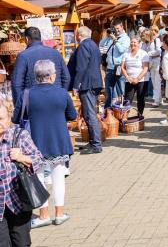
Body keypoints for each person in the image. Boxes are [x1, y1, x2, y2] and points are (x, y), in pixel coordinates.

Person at [12, 60, 76, 228]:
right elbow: (73, 115)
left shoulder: (26, 94)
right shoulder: (62, 93)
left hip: (35, 142)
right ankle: (59, 214)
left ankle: (43, 215)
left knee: (38, 177)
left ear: (36, 76)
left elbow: (16, 119)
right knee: (58, 176)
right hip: (59, 140)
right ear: (52, 75)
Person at [0, 99, 43, 247]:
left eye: (1, 118)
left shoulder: (19, 136)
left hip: (19, 202)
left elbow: (38, 159)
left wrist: (22, 158)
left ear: (9, 116)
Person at [67, 26, 103, 154]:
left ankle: (96, 144)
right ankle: (94, 141)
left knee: (89, 114)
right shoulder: (93, 44)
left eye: (77, 34)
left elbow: (81, 67)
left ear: (79, 35)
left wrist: (76, 85)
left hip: (87, 84)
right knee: (90, 113)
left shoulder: (83, 46)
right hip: (94, 82)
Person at [11, 26, 70, 103]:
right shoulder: (56, 53)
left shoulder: (23, 56)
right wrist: (62, 94)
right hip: (57, 99)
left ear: (27, 39)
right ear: (40, 38)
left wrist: (19, 106)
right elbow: (66, 77)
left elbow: (16, 84)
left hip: (34, 101)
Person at [103, 19, 130, 108]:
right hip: (110, 68)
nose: (117, 30)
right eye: (115, 29)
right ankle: (108, 111)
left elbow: (122, 50)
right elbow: (102, 45)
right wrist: (107, 36)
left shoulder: (126, 38)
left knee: (121, 91)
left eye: (118, 28)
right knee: (109, 90)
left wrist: (115, 40)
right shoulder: (112, 37)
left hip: (119, 67)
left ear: (122, 27)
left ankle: (122, 110)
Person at [121, 37, 150, 117]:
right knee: (127, 100)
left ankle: (140, 115)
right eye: (131, 42)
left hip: (141, 80)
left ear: (138, 44)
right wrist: (127, 77)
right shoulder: (126, 53)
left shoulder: (143, 53)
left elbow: (145, 68)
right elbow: (122, 67)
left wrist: (138, 78)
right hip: (129, 80)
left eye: (135, 42)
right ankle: (125, 117)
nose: (132, 44)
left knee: (140, 99)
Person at [141, 28, 162, 107]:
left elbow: (159, 51)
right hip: (150, 64)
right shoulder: (145, 43)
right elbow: (142, 52)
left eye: (144, 36)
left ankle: (157, 100)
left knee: (157, 82)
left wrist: (148, 53)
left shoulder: (156, 40)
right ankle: (159, 99)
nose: (142, 37)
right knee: (154, 82)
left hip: (157, 64)